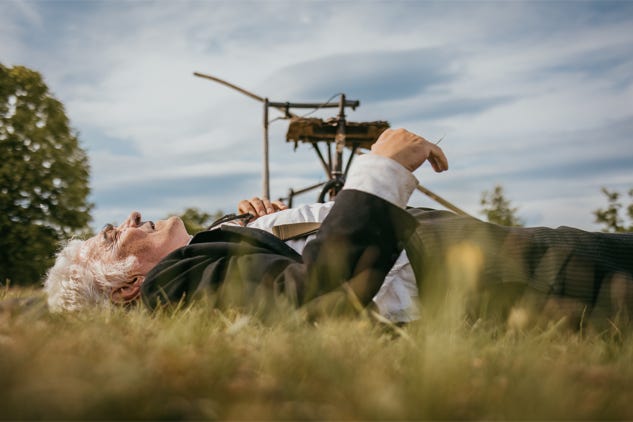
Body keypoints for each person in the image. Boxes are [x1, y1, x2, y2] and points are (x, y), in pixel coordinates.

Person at [44, 128, 633, 327]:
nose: (128, 220)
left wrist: (259, 224)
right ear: (128, 287)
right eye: (111, 236)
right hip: (482, 275)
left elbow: (271, 277)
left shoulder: (198, 255)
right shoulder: (171, 280)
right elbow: (311, 294)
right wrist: (380, 169)